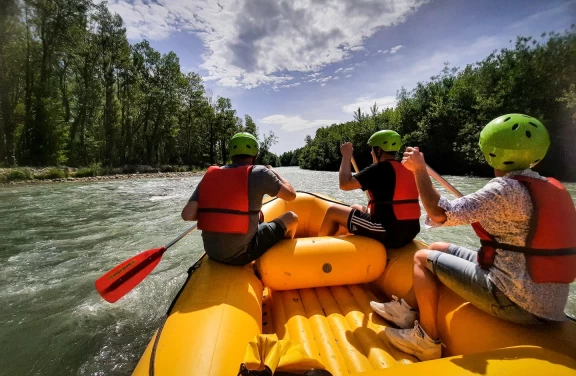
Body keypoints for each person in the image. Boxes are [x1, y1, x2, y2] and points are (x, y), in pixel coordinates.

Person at [371, 114, 576, 361]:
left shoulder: (504, 189)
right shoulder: (549, 186)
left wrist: (419, 170)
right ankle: (407, 311)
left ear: (490, 151)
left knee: (422, 257)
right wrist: (420, 172)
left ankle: (425, 339)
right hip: (549, 302)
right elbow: (445, 207)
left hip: (518, 301)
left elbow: (438, 214)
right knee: (438, 246)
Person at [181, 132, 299, 266]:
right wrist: (274, 172)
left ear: (231, 153)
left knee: (260, 216)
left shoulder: (211, 175)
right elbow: (291, 195)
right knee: (292, 218)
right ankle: (286, 255)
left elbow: (187, 215)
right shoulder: (260, 173)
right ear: (255, 154)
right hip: (241, 254)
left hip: (212, 252)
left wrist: (218, 214)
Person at [318, 130, 420, 248]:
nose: (371, 153)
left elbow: (344, 184)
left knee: (333, 211)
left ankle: (318, 249)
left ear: (379, 150)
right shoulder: (409, 169)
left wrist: (346, 156)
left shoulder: (378, 169)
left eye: (372, 149)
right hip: (411, 231)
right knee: (356, 207)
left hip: (389, 231)